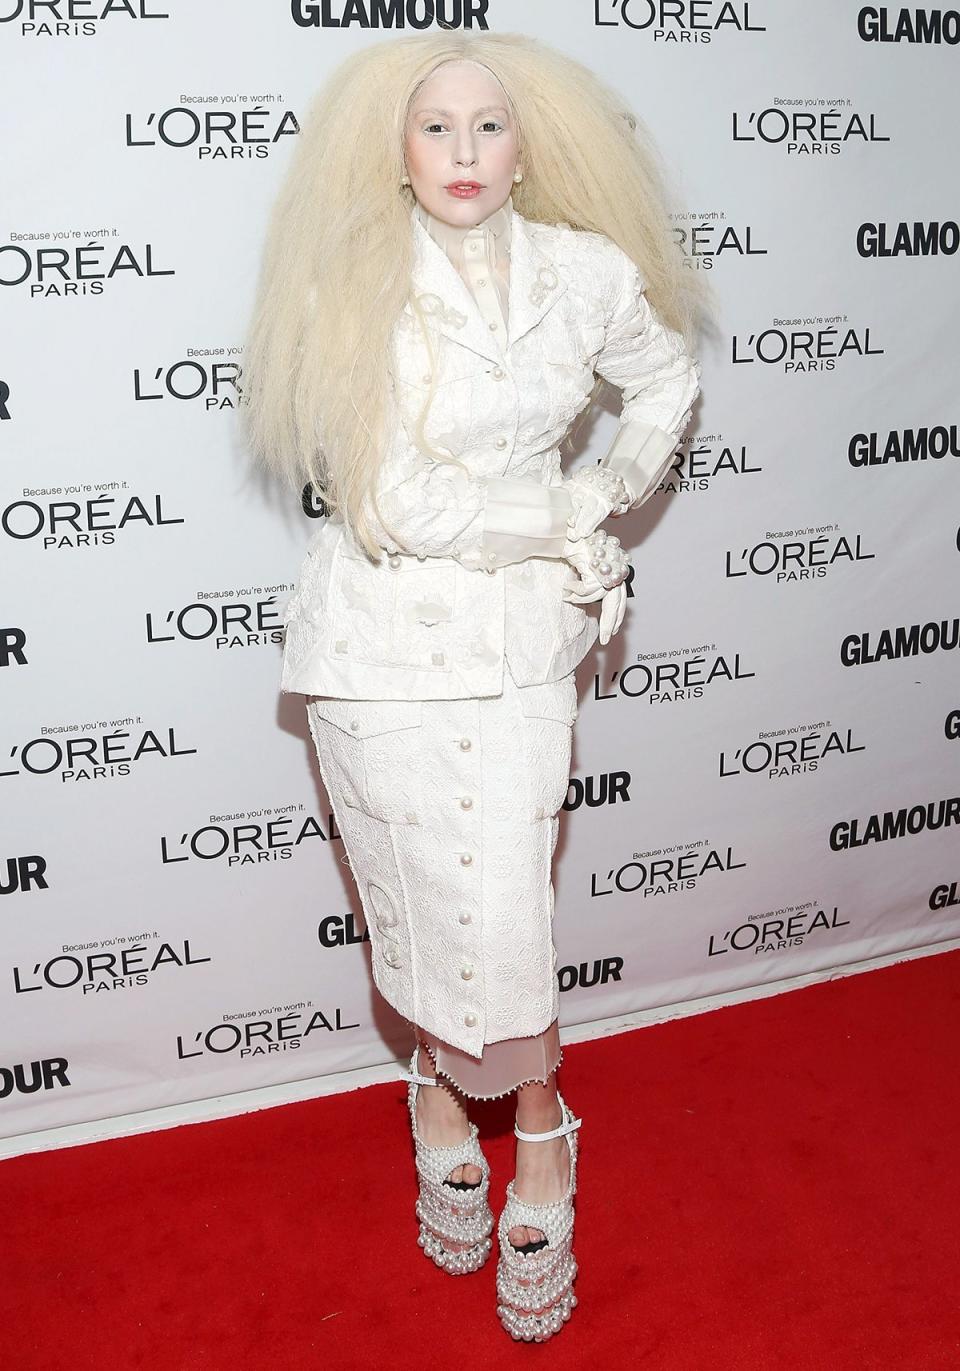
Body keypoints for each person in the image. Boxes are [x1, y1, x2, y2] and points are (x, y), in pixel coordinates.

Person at [243, 31, 708, 1343]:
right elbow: (393, 502)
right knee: (418, 900)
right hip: (379, 655)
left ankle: (544, 1124)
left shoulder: (584, 271)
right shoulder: (351, 281)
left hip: (519, 649)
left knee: (504, 906)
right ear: (392, 142)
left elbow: (668, 378)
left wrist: (612, 491)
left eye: (487, 127)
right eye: (434, 127)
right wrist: (563, 515)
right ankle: (442, 1098)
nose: (462, 154)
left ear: (529, 143)